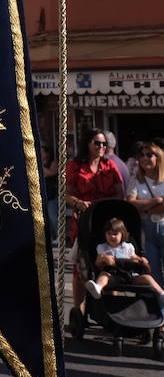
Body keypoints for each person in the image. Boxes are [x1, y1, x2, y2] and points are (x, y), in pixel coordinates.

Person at [65, 126, 124, 315]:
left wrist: (110, 206)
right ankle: (79, 311)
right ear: (88, 144)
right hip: (84, 221)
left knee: (110, 264)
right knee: (81, 268)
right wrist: (78, 202)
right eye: (97, 143)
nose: (101, 147)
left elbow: (120, 193)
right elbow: (66, 194)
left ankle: (111, 310)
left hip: (106, 221)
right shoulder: (75, 166)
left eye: (104, 144)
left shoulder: (110, 166)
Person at [85, 217, 164, 311]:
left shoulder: (128, 247)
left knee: (147, 278)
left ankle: (161, 293)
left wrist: (141, 260)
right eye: (109, 234)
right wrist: (103, 258)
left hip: (130, 275)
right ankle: (98, 288)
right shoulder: (103, 248)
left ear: (122, 234)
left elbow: (134, 257)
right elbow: (97, 263)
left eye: (115, 234)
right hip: (113, 276)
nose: (112, 237)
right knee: (103, 275)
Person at [126, 142, 164, 286]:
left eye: (149, 155)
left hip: (163, 224)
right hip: (145, 229)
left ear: (158, 157)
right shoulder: (136, 180)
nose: (145, 158)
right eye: (142, 155)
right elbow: (131, 204)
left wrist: (145, 206)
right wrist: (156, 201)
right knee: (152, 270)